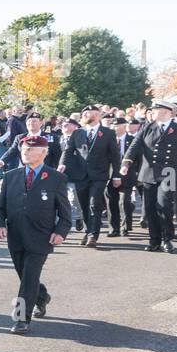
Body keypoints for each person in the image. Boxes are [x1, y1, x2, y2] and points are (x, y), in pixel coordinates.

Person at [0, 136, 72, 334]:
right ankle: (42, 296)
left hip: (41, 237)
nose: (25, 153)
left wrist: (60, 232)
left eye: (30, 149)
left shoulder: (56, 178)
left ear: (43, 152)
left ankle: (21, 319)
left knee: (29, 277)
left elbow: (65, 213)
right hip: (16, 236)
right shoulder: (11, 176)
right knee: (26, 277)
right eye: (23, 149)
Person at [119, 100, 177, 253]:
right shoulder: (147, 127)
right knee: (151, 208)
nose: (152, 112)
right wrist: (126, 164)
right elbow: (134, 146)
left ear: (166, 111)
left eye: (156, 110)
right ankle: (154, 240)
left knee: (164, 206)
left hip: (169, 173)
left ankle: (167, 239)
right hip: (149, 172)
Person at [60, 105, 120, 248]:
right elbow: (68, 151)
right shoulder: (77, 133)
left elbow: (115, 156)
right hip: (80, 175)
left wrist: (116, 175)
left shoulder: (108, 133)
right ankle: (88, 231)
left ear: (98, 115)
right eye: (84, 113)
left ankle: (93, 235)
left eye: (89, 113)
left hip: (99, 175)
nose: (86, 115)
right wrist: (62, 164)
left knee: (94, 204)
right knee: (84, 205)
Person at [106, 116, 137, 237]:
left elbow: (138, 158)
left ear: (124, 126)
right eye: (112, 125)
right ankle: (114, 228)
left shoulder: (133, 140)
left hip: (127, 176)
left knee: (124, 201)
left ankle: (125, 226)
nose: (114, 127)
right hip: (109, 175)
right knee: (111, 203)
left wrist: (137, 173)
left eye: (117, 125)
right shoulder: (108, 139)